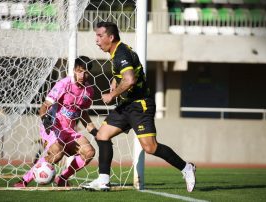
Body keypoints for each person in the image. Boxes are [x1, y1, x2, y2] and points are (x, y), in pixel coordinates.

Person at [81, 22, 196, 192]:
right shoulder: (117, 52)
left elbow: (130, 79)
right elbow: (125, 74)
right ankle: (103, 180)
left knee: (150, 147)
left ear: (110, 37)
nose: (96, 40)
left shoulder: (121, 53)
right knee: (102, 136)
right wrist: (115, 81)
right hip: (127, 105)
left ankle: (186, 168)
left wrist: (112, 95)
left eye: (100, 36)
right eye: (96, 36)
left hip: (140, 105)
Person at [14, 56, 98, 187]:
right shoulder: (63, 84)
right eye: (79, 70)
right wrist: (45, 119)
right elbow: (44, 106)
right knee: (57, 153)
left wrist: (94, 131)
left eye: (86, 71)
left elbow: (83, 113)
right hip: (53, 128)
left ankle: (62, 178)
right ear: (74, 70)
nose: (82, 74)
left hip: (69, 132)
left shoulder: (89, 91)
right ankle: (24, 180)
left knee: (89, 152)